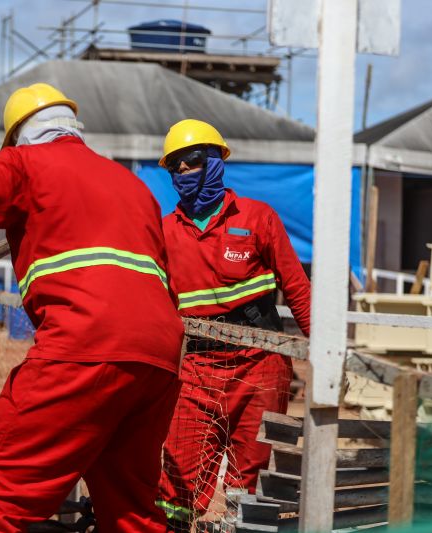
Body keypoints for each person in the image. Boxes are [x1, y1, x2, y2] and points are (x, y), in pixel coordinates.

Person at [0, 83, 185, 533]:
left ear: (18, 135)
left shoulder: (23, 163)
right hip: (158, 358)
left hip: (84, 346)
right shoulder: (133, 185)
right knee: (131, 509)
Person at [154, 119, 311, 532]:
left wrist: (329, 358)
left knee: (250, 476)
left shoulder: (259, 219)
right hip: (197, 369)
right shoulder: (165, 232)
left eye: (191, 161)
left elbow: (298, 289)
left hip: (261, 365)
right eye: (175, 167)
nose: (184, 173)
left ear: (215, 161)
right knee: (178, 477)